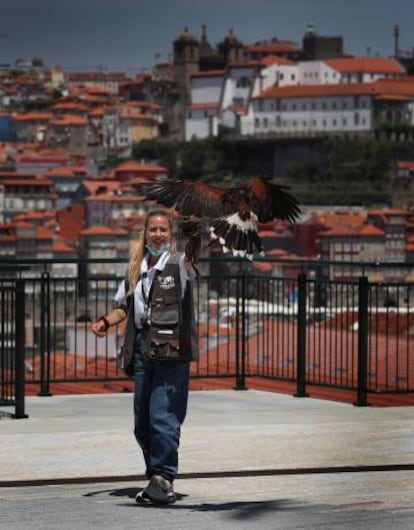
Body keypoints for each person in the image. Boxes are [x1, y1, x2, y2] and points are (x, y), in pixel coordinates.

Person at [91, 209, 200, 505]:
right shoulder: (136, 269)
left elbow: (194, 256)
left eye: (163, 230)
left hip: (170, 349)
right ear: (145, 233)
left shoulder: (179, 265)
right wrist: (104, 322)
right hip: (142, 346)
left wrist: (197, 231)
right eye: (153, 229)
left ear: (171, 235)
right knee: (142, 420)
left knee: (163, 415)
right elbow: (124, 308)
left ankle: (164, 477)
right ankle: (156, 477)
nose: (158, 235)